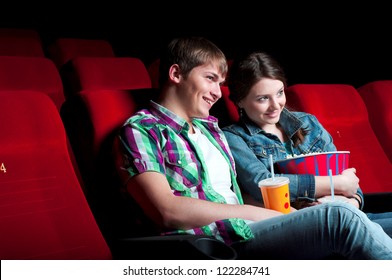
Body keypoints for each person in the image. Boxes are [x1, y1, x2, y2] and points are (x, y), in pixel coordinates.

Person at [114, 36, 392, 259]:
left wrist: (303, 211)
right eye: (210, 79)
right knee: (339, 218)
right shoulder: (142, 129)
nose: (216, 92)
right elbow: (166, 210)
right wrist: (263, 213)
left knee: (349, 214)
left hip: (253, 227)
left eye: (220, 83)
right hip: (213, 244)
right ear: (176, 73)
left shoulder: (212, 132)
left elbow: (238, 196)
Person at [222, 51, 392, 238]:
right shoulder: (233, 137)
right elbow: (261, 184)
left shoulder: (308, 123)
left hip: (348, 213)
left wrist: (352, 203)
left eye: (279, 93)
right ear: (239, 100)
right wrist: (335, 183)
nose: (276, 105)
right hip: (302, 225)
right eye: (263, 98)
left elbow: (351, 185)